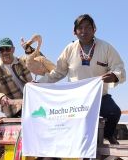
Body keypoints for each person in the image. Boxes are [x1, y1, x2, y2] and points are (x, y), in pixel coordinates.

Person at [39, 14, 126, 145]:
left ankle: (108, 135)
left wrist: (114, 75)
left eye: (88, 27)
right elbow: (58, 72)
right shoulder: (69, 49)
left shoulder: (106, 47)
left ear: (94, 29)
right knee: (58, 117)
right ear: (75, 32)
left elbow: (119, 67)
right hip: (75, 99)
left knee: (114, 112)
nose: (84, 31)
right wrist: (39, 83)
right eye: (80, 28)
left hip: (99, 96)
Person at [0, 37, 33, 118]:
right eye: (1, 50)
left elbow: (38, 59)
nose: (4, 52)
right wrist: (0, 97)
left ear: (13, 49)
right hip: (15, 110)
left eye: (7, 49)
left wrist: (28, 48)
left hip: (31, 103)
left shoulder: (22, 61)